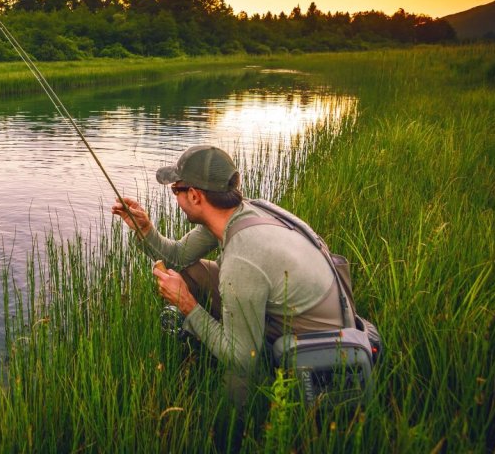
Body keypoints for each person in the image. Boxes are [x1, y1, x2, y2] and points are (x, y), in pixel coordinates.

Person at [112, 145, 346, 400]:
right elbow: (178, 257)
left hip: (310, 344)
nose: (174, 197)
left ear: (194, 195)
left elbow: (245, 360)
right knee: (190, 270)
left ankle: (239, 423)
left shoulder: (242, 258)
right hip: (291, 312)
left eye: (175, 190)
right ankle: (216, 335)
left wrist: (187, 305)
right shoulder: (240, 212)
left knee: (235, 381)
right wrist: (144, 229)